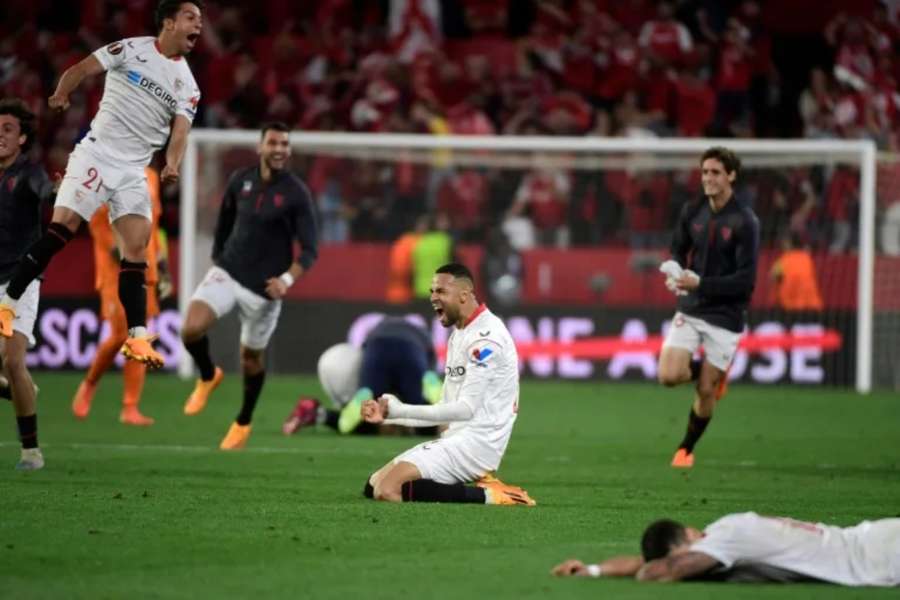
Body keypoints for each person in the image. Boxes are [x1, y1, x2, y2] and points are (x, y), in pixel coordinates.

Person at [0, 1, 202, 371]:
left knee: (136, 251)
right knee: (61, 231)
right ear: (169, 23)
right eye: (191, 18)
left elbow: (181, 132)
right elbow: (82, 68)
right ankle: (7, 304)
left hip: (133, 171)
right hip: (97, 155)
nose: (198, 26)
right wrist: (63, 92)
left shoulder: (188, 85)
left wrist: (172, 164)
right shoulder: (131, 48)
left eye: (200, 21)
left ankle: (137, 335)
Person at [180, 122, 318, 450]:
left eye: (285, 143)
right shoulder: (239, 180)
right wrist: (218, 256)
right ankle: (207, 374)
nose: (280, 149)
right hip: (229, 271)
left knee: (250, 361)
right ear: (260, 147)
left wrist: (286, 279)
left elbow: (310, 249)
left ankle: (242, 421)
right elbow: (225, 220)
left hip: (265, 290)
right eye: (273, 142)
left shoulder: (296, 193)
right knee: (190, 329)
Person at [359, 263, 536, 506]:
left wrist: (400, 409)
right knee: (372, 485)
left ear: (464, 295)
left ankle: (492, 496)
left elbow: (466, 409)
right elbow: (445, 406)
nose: (433, 298)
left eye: (441, 291)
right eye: (432, 291)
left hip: (476, 445)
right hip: (455, 440)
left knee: (388, 490)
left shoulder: (487, 339)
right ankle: (473, 483)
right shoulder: (460, 333)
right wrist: (389, 416)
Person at [657, 146, 760, 468]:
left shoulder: (745, 221)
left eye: (715, 172)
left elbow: (745, 281)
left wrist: (701, 283)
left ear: (731, 175)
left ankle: (685, 449)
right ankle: (713, 376)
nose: (708, 178)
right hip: (692, 307)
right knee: (669, 375)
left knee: (705, 393)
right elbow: (678, 247)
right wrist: (674, 269)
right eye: (704, 172)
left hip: (726, 314)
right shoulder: (693, 211)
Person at [71, 167, 171, 425]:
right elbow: (97, 221)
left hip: (144, 269)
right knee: (118, 335)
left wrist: (162, 265)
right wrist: (117, 250)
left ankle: (130, 407)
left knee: (140, 337)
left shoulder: (150, 177)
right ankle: (89, 384)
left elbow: (154, 223)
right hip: (115, 268)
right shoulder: (105, 172)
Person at [552, 512, 900, 586]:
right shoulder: (726, 529)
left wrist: (655, 567)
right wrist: (593, 569)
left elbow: (658, 572)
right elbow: (650, 562)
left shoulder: (725, 539)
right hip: (873, 540)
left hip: (879, 555)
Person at [0, 99, 57, 470]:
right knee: (12, 371)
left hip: (18, 280)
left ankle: (31, 451)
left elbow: (46, 195)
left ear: (22, 139)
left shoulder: (30, 172)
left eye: (7, 129)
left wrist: (57, 193)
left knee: (11, 358)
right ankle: (22, 391)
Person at [282, 316, 442, 435]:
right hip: (412, 351)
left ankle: (323, 413)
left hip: (375, 346)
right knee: (420, 420)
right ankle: (441, 412)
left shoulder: (379, 328)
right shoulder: (424, 337)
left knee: (369, 411)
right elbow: (429, 372)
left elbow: (363, 351)